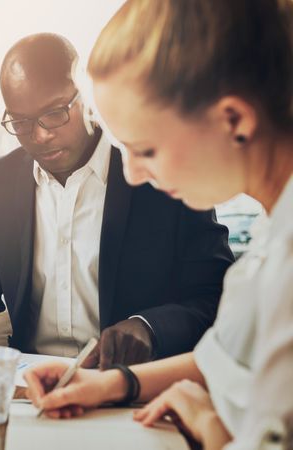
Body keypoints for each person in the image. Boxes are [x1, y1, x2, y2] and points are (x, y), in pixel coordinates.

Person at [24, 1, 293, 449]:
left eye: (145, 149)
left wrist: (208, 422)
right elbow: (226, 360)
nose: (130, 174)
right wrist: (112, 384)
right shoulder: (275, 229)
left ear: (234, 120)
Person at [0, 33, 233, 368]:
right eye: (21, 122)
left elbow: (215, 294)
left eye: (55, 113)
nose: (40, 135)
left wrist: (148, 327)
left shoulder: (157, 170)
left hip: (135, 386)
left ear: (85, 94)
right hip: (32, 386)